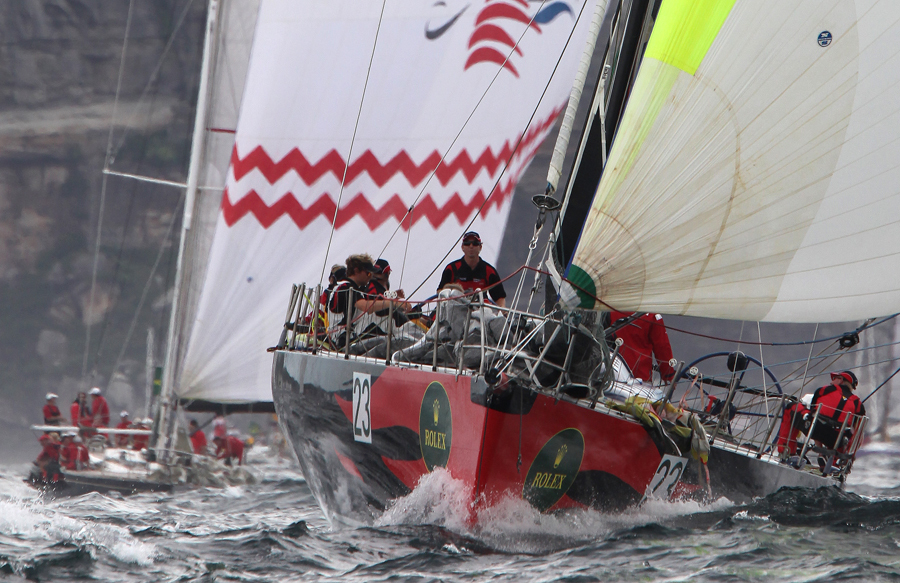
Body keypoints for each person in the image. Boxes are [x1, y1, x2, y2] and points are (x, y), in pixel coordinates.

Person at [328, 254, 408, 346]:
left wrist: (394, 295)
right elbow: (366, 306)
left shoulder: (356, 288)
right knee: (382, 328)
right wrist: (393, 303)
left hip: (352, 334)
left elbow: (375, 297)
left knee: (387, 318)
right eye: (368, 273)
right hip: (343, 339)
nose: (370, 277)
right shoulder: (346, 288)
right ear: (356, 271)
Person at [437, 231, 506, 307]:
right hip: (455, 310)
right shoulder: (451, 268)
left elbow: (500, 298)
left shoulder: (489, 271)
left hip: (481, 312)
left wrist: (502, 312)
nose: (471, 246)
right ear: (462, 247)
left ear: (480, 247)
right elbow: (440, 291)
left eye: (475, 243)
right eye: (467, 243)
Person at [609, 311, 676, 383]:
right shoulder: (651, 315)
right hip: (640, 378)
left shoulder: (609, 311)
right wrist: (669, 375)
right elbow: (662, 348)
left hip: (611, 376)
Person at [808, 370, 866, 450]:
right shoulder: (857, 403)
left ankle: (818, 450)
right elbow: (859, 433)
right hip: (837, 439)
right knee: (844, 435)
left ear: (841, 380)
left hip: (816, 431)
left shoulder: (824, 390)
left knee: (794, 408)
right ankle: (835, 459)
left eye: (834, 378)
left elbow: (812, 409)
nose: (831, 382)